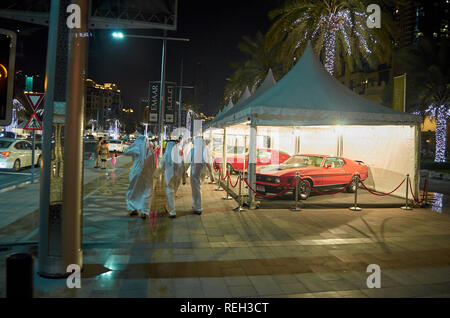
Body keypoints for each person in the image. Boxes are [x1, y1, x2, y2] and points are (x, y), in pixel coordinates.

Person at [123, 135, 156, 219]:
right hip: (147, 174)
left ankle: (133, 209)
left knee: (133, 191)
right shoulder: (151, 151)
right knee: (147, 191)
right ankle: (144, 211)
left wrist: (133, 144)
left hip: (136, 173)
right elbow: (154, 164)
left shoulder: (136, 149)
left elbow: (125, 151)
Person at [160, 140, 185, 218]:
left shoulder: (166, 155)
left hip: (169, 178)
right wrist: (184, 179)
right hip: (177, 178)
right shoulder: (179, 155)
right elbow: (183, 167)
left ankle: (172, 211)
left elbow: (161, 167)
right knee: (172, 194)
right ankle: (168, 207)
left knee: (170, 193)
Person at [185, 136, 207, 215]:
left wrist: (183, 171)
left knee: (195, 190)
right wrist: (211, 175)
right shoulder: (204, 151)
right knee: (199, 189)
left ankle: (198, 208)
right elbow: (209, 163)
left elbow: (187, 163)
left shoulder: (193, 151)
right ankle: (195, 205)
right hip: (202, 173)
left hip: (194, 173)